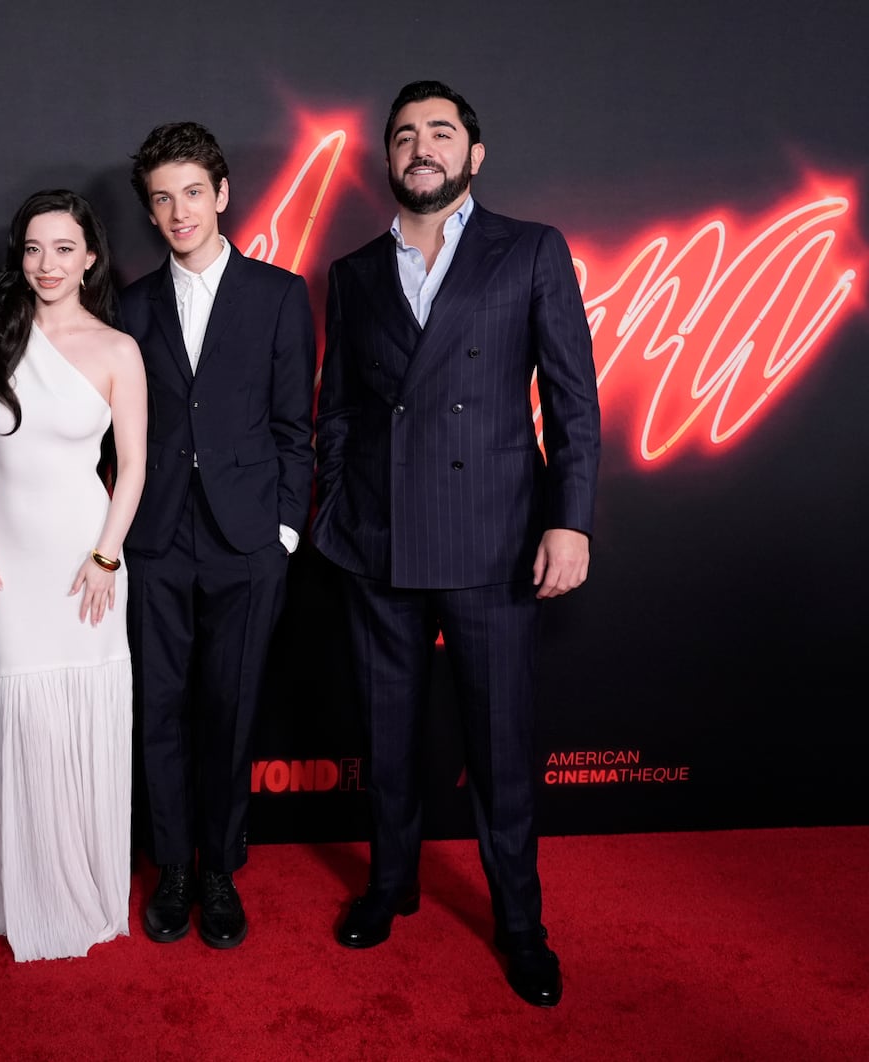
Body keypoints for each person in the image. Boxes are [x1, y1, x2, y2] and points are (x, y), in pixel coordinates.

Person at [312, 80, 601, 1008]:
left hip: (493, 540)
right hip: (377, 541)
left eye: (441, 133)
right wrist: (336, 514)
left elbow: (572, 402)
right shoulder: (353, 272)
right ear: (386, 160)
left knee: (501, 745)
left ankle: (520, 923)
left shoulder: (532, 250)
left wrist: (571, 518)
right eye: (404, 136)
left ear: (475, 155)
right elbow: (342, 412)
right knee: (385, 737)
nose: (421, 147)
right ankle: (389, 884)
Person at [119, 122, 316, 949]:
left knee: (231, 709)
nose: (178, 211)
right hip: (156, 535)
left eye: (192, 192)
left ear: (223, 194)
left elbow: (294, 425)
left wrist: (283, 532)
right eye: (162, 199)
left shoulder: (278, 294)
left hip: (247, 539)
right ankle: (170, 865)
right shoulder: (127, 303)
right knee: (158, 707)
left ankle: (220, 870)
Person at [0, 190, 148, 961]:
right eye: (35, 249)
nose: (48, 264)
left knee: (84, 707)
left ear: (90, 258)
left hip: (86, 556)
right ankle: (26, 888)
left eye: (64, 249)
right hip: (11, 559)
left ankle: (84, 883)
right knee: (26, 709)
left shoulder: (117, 351)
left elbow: (133, 466)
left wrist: (106, 554)